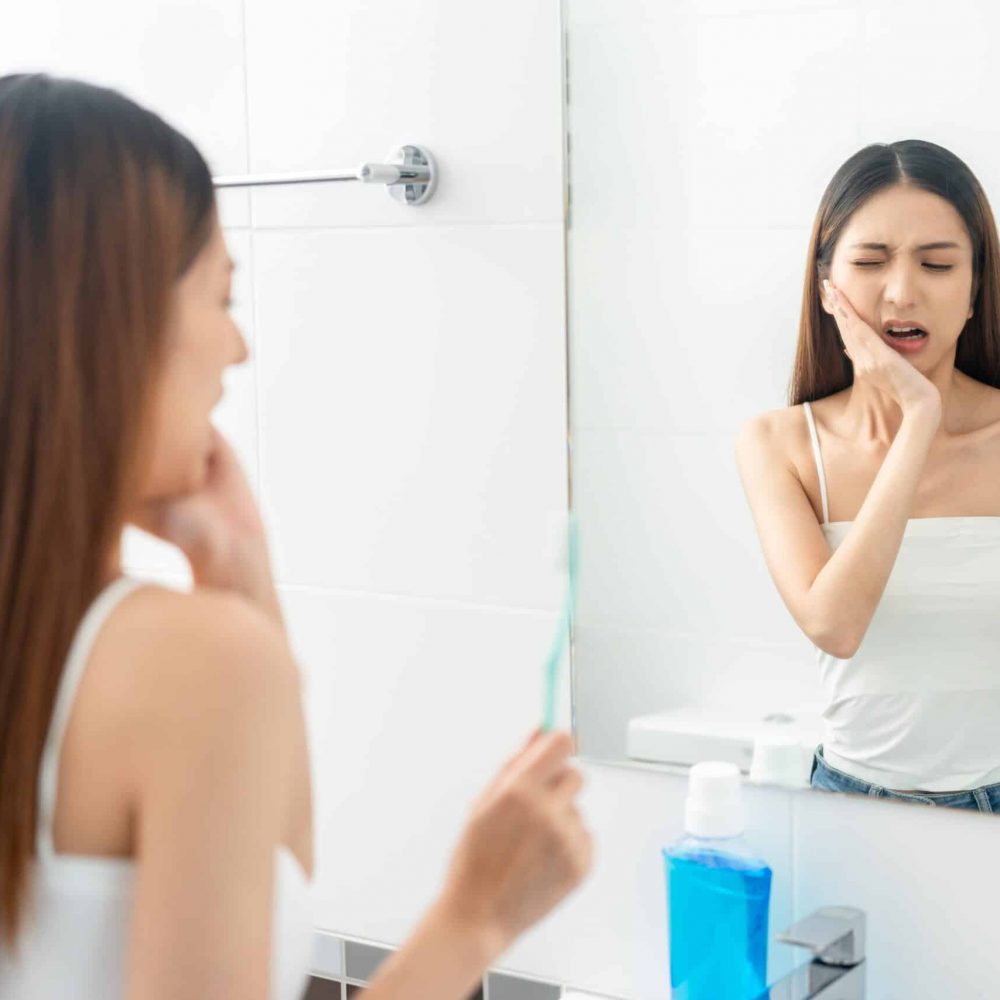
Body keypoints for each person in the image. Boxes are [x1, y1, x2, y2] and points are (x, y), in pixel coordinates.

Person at [0, 73, 592, 999]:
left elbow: (267, 869)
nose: (236, 350)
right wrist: (475, 916)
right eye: (221, 300)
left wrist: (239, 576)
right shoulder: (189, 665)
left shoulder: (189, 658)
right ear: (112, 320)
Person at [736, 139, 1000, 810]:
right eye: (870, 262)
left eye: (938, 264)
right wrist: (918, 417)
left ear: (975, 289)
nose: (902, 292)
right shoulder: (780, 444)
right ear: (828, 287)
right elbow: (836, 625)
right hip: (852, 809)